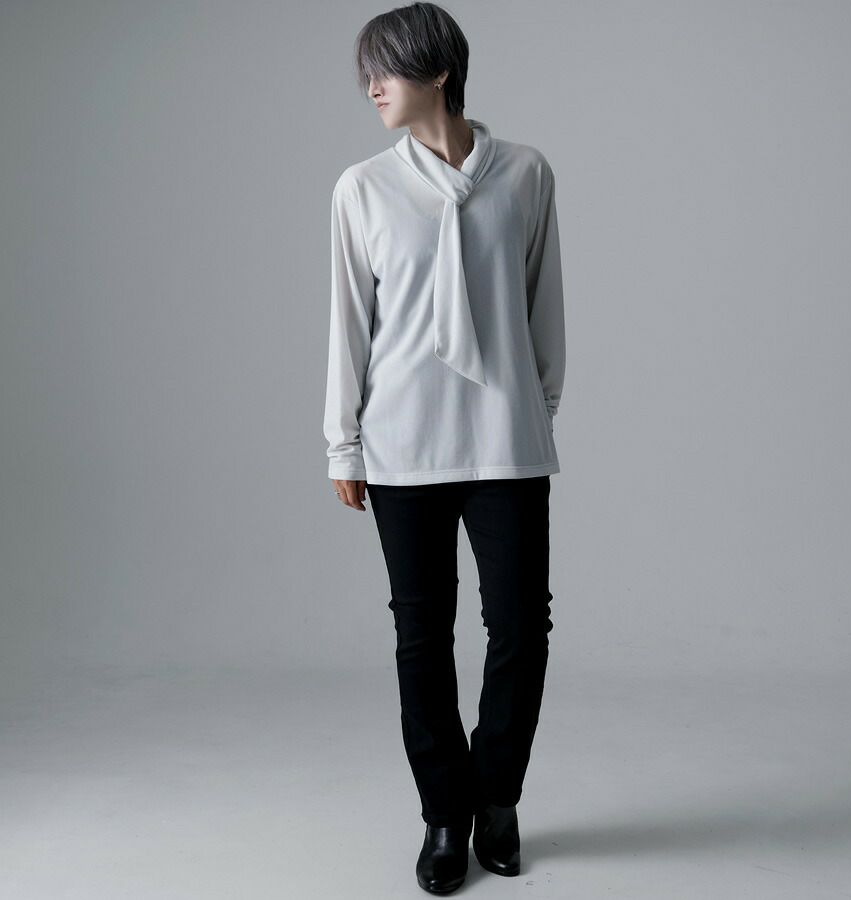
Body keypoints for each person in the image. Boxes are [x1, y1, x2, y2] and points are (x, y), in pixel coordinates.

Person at [322, 2, 566, 893]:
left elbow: (542, 303)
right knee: (421, 637)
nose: (371, 87)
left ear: (439, 72)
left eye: (384, 69)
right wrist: (343, 445)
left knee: (522, 629)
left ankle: (496, 798)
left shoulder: (526, 174)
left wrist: (537, 410)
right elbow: (350, 325)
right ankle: (442, 814)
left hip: (505, 441)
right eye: (366, 74)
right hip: (402, 446)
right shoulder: (362, 189)